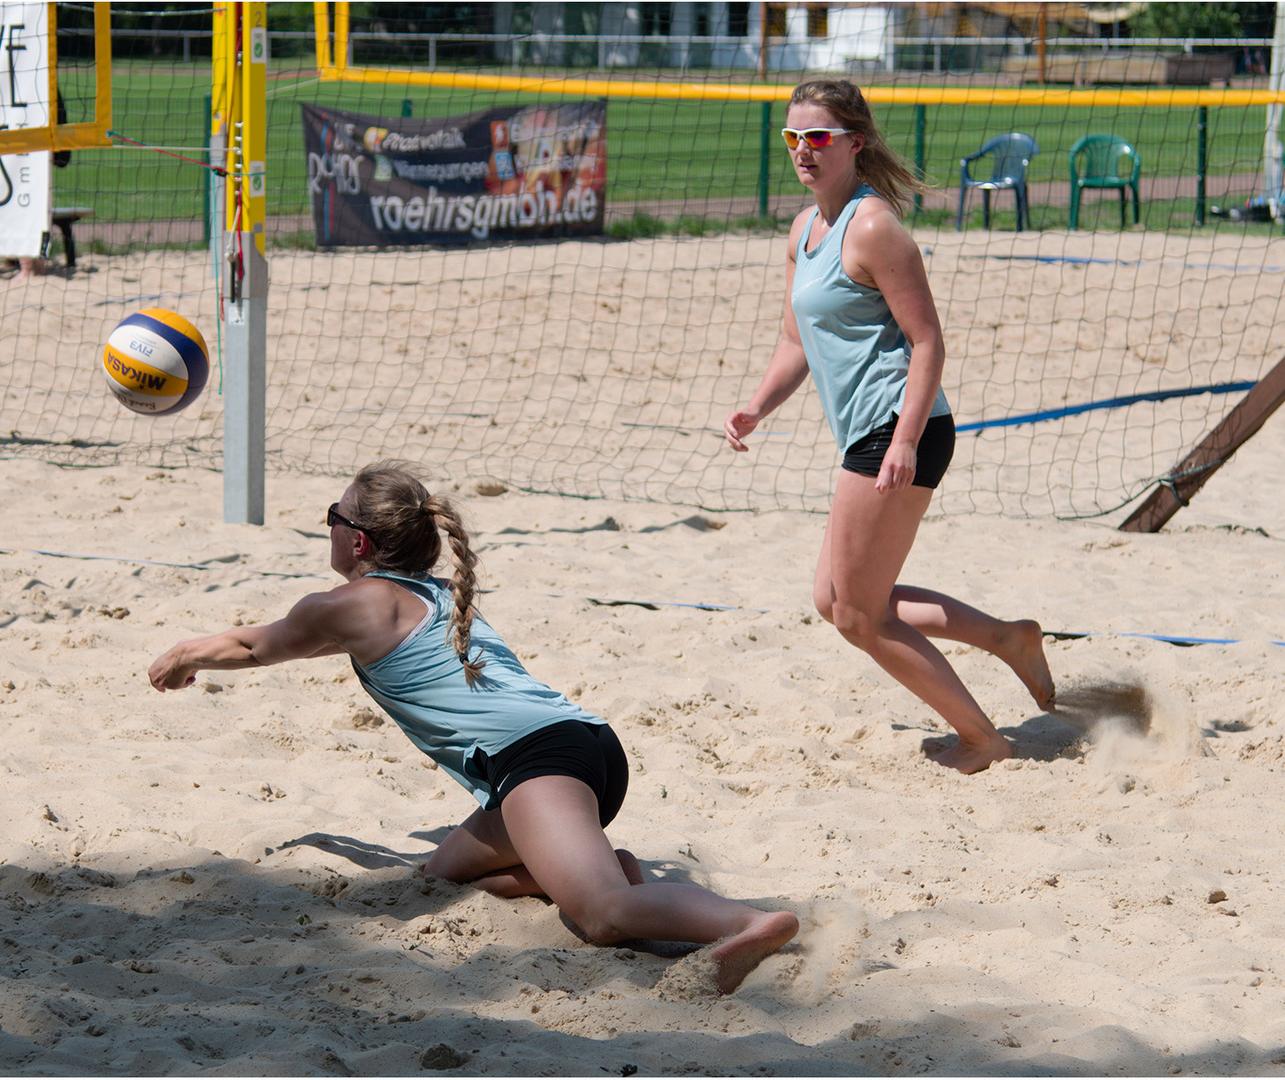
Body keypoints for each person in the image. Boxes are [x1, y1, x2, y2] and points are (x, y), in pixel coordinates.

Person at [148, 460, 798, 993]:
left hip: (540, 764)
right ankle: (605, 866)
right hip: (580, 749)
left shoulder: (346, 604)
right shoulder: (426, 595)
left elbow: (254, 647)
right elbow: (292, 646)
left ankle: (747, 921)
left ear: (357, 541)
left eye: (331, 516)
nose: (328, 528)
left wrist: (181, 655)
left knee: (603, 917)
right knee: (437, 881)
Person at [724, 79, 1055, 775]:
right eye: (793, 138)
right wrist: (757, 405)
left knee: (857, 616)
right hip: (867, 434)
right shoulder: (803, 228)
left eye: (818, 138)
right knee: (835, 599)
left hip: (898, 428)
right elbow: (794, 341)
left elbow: (927, 341)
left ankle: (982, 739)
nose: (803, 151)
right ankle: (1006, 638)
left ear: (855, 142)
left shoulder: (871, 226)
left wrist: (902, 440)